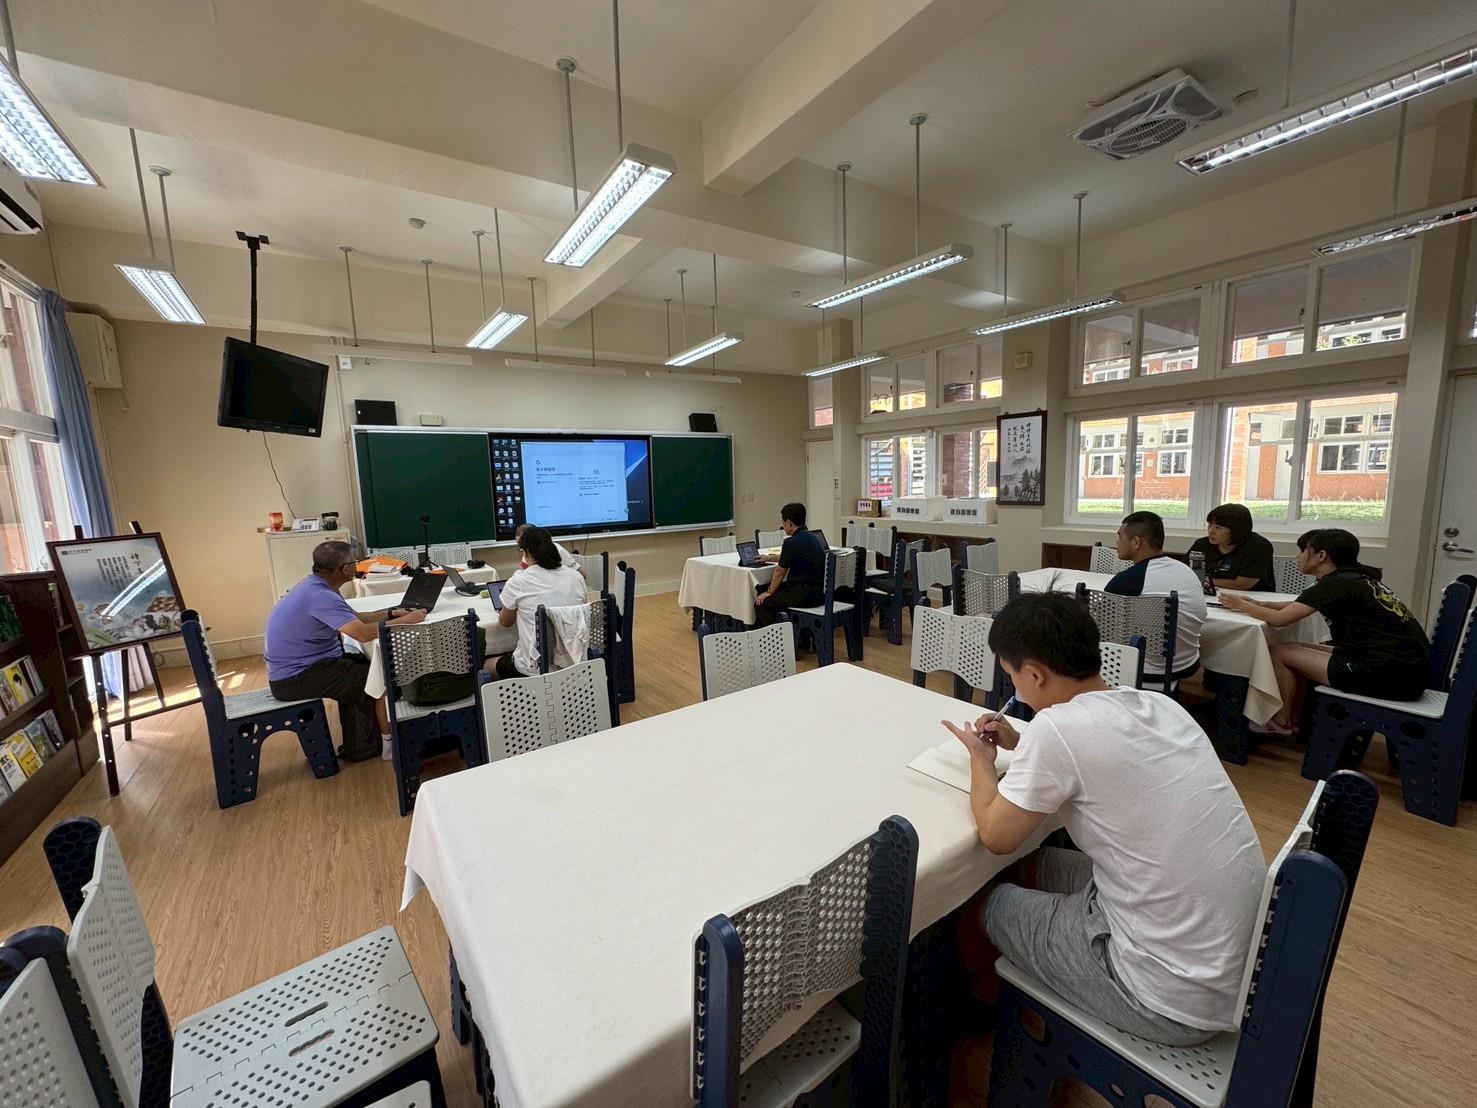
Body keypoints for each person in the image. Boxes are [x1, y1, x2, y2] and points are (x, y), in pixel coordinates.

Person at [942, 592, 1265, 1045]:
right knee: (1030, 867)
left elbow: (996, 835)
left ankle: (977, 1013)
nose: (1015, 689)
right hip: (1228, 964)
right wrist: (1021, 743)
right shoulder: (1159, 706)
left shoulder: (1058, 729)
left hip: (1165, 996)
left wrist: (981, 758)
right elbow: (1096, 755)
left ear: (1034, 674)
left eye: (1012, 676)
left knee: (976, 898)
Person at [1220, 528, 1430, 732]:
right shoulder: (1352, 578)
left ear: (1321, 556)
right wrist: (1260, 604)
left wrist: (1241, 605)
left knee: (1277, 653)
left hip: (1386, 675)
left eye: (1303, 550)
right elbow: (1300, 605)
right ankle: (1293, 718)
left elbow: (1279, 620)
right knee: (1288, 648)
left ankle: (1281, 722)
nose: (1298, 557)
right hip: (1405, 670)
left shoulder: (1336, 583)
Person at [266, 540, 426, 761]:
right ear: (344, 569)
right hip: (295, 678)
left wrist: (392, 613)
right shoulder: (321, 596)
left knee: (369, 666)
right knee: (376, 679)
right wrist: (407, 621)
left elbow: (357, 618)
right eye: (355, 562)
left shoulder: (316, 586)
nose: (357, 566)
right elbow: (362, 634)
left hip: (303, 667)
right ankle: (376, 747)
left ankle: (363, 744)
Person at [1104, 510, 1206, 682]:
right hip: (1188, 663)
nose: (1116, 543)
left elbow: (1102, 622)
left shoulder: (1129, 579)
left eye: (1119, 537)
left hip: (1148, 670)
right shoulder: (1185, 570)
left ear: (1136, 542)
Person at [489, 525, 588, 679]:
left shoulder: (519, 580)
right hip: (575, 662)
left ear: (525, 552)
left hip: (535, 669)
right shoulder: (576, 577)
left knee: (487, 665)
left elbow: (506, 622)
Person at [754, 502, 826, 627]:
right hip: (820, 593)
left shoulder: (791, 542)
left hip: (803, 595)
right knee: (765, 590)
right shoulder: (814, 538)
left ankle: (773, 636)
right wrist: (770, 558)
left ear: (788, 522)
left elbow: (779, 571)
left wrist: (769, 592)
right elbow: (792, 557)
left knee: (762, 602)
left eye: (783, 522)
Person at [1188, 503, 1276, 592]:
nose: (1211, 531)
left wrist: (1203, 581)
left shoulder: (1259, 546)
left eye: (1218, 527)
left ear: (1235, 529)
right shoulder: (1202, 544)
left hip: (1252, 597)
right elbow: (1185, 571)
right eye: (1210, 525)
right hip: (1209, 594)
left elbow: (1243, 584)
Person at [513, 522, 579, 571]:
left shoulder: (557, 549)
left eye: (523, 544)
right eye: (520, 545)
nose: (521, 549)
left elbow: (580, 573)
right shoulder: (527, 551)